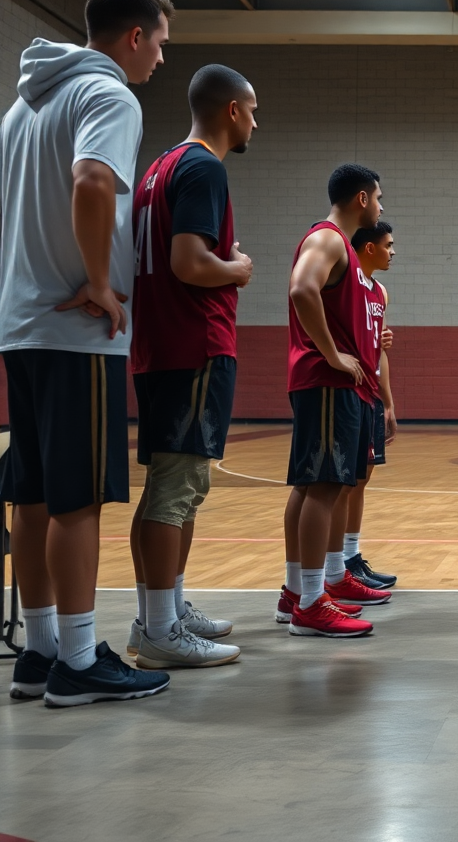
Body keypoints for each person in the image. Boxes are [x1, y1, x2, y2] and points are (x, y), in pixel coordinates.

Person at [1, 0, 174, 706]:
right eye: (159, 42)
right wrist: (101, 281)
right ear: (134, 36)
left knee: (34, 493)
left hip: (22, 324)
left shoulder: (21, 109)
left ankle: (39, 651)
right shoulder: (108, 95)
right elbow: (94, 180)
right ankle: (78, 660)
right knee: (78, 499)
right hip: (77, 329)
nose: (160, 57)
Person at [125, 64, 257, 669]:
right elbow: (189, 262)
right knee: (177, 489)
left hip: (158, 347)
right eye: (252, 111)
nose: (254, 122)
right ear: (232, 110)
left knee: (168, 486)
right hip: (194, 345)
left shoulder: (160, 166)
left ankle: (161, 611)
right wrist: (237, 269)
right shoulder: (204, 166)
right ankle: (161, 631)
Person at [276, 163, 387, 637]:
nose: (380, 206)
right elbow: (302, 288)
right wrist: (332, 354)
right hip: (326, 381)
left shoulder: (345, 249)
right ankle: (310, 603)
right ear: (362, 198)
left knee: (312, 487)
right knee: (321, 487)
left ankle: (295, 592)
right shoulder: (327, 238)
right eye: (378, 198)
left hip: (340, 385)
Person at [338, 220, 399, 591]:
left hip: (371, 395)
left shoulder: (380, 291)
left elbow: (381, 351)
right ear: (370, 248)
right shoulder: (346, 284)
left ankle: (351, 555)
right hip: (347, 392)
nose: (393, 252)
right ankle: (334, 565)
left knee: (363, 477)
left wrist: (388, 402)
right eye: (388, 245)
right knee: (344, 481)